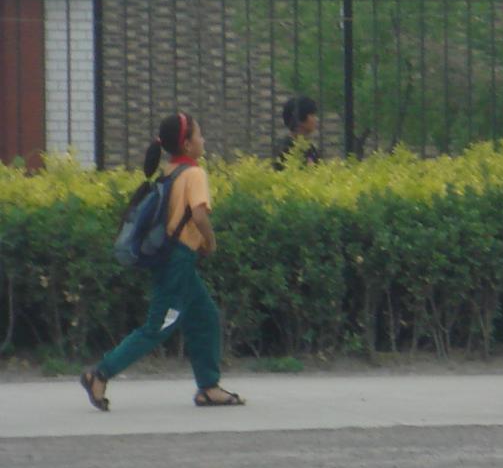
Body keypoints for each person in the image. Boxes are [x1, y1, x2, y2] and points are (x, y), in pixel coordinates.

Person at [80, 113, 244, 411]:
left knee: (205, 316)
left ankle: (209, 387)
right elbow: (199, 215)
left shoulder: (169, 172)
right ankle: (99, 373)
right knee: (157, 327)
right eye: (200, 135)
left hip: (171, 258)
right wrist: (211, 242)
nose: (204, 140)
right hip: (178, 262)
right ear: (187, 143)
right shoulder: (194, 174)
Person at [271, 95, 322, 167]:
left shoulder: (311, 148)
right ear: (300, 119)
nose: (316, 119)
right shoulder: (285, 148)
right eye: (312, 115)